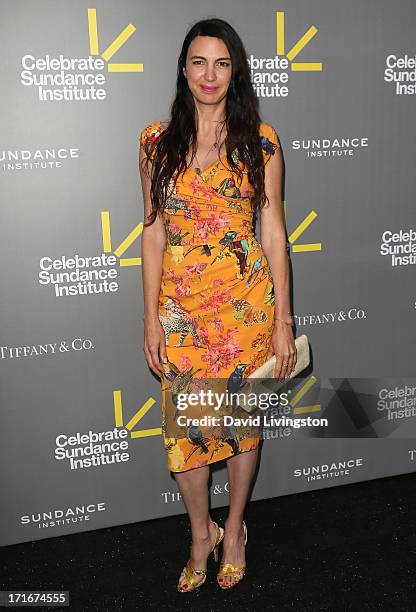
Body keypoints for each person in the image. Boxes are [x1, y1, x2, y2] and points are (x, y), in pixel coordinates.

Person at [138, 17, 296, 592]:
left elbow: (274, 232)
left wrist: (283, 320)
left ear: (236, 71)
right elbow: (153, 230)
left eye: (222, 62)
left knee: (241, 425)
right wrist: (149, 314)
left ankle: (233, 531)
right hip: (180, 310)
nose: (210, 74)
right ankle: (199, 532)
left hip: (246, 308)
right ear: (183, 68)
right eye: (199, 62)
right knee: (189, 433)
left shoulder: (262, 140)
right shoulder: (156, 141)